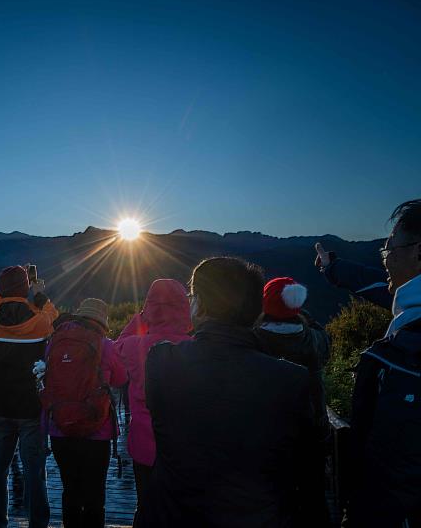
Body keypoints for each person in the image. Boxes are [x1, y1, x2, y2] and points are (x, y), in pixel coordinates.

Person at [141, 257, 319, 527]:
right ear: (256, 312)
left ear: (198, 304)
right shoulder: (291, 380)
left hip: (172, 515)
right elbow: (305, 469)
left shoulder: (162, 362)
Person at [346, 199, 421, 527]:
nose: (385, 260)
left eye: (389, 249)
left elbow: (390, 473)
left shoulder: (405, 357)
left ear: (418, 252)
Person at [0, 265, 58, 528]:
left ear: (1, 291)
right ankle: (38, 523)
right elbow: (53, 314)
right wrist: (37, 294)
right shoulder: (39, 321)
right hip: (30, 407)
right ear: (26, 287)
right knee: (34, 472)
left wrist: (14, 290)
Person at [113, 279, 192, 525]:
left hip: (144, 446)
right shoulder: (198, 348)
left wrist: (143, 317)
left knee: (146, 507)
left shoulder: (134, 346)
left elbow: (116, 348)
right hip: (186, 448)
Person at [42, 298, 125, 528]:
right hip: (96, 430)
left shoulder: (55, 342)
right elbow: (121, 378)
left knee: (70, 489)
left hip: (60, 427)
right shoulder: (106, 344)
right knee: (94, 494)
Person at [254, 277, 331, 524]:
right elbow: (324, 337)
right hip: (310, 433)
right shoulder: (313, 340)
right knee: (313, 498)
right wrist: (305, 316)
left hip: (264, 436)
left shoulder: (253, 340)